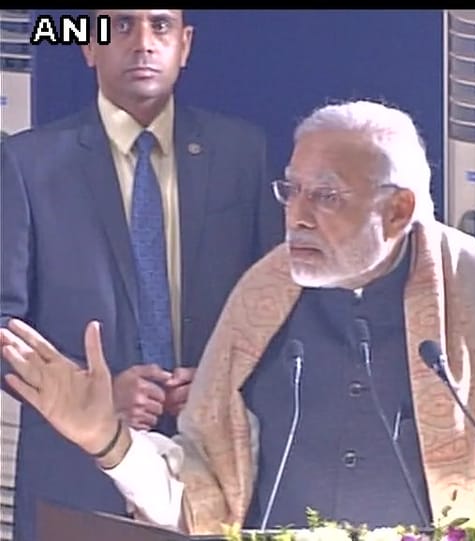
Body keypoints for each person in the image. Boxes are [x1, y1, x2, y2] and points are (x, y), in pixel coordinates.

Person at [1, 100, 475, 535]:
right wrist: (107, 440)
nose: (296, 215)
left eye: (326, 196)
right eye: (291, 190)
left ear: (398, 210)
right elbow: (200, 497)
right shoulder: (258, 303)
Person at [0, 9, 283, 541]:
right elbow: (3, 325)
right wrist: (93, 394)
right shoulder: (26, 164)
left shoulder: (242, 153)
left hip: (217, 468)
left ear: (185, 44)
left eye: (161, 26)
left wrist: (222, 383)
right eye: (122, 26)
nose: (144, 43)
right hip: (74, 478)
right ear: (88, 46)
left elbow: (279, 306)